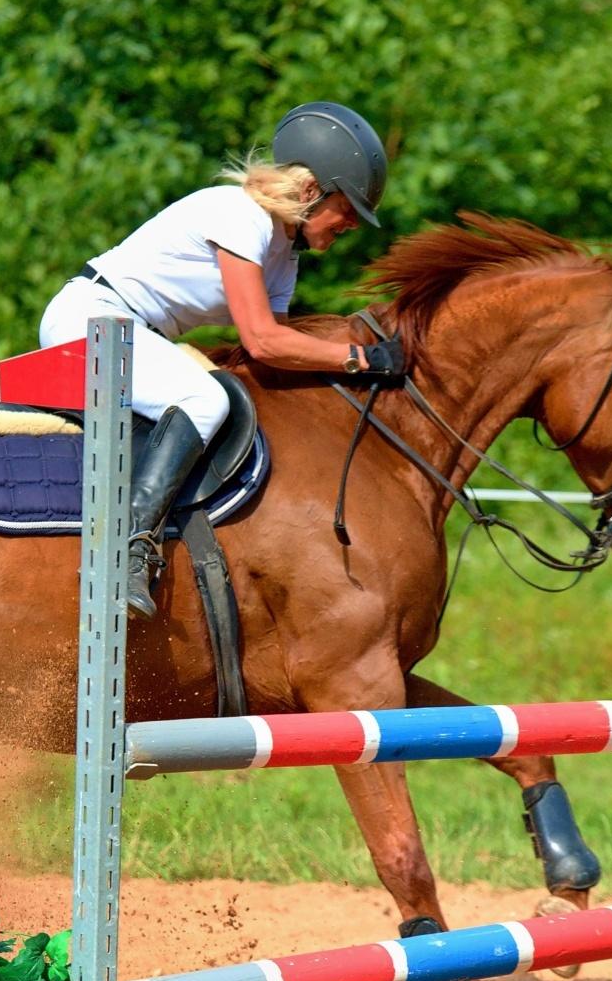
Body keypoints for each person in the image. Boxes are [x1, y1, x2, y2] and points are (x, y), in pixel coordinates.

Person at [39, 101, 408, 618]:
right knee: (204, 399)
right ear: (311, 190)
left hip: (133, 333)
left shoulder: (283, 254)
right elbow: (262, 340)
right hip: (91, 319)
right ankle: (126, 552)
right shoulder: (240, 215)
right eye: (347, 209)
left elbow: (277, 355)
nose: (351, 224)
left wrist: (354, 361)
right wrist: (360, 358)